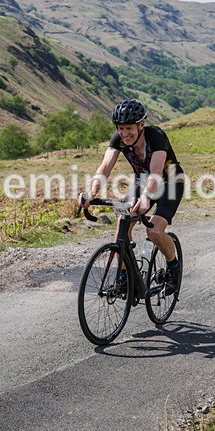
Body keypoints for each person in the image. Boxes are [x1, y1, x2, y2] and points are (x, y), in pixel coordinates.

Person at [79, 99, 184, 297]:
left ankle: (173, 266)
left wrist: (145, 198)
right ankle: (125, 277)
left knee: (153, 230)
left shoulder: (156, 136)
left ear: (141, 124)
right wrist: (91, 193)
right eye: (120, 128)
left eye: (129, 128)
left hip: (170, 183)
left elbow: (155, 172)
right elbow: (105, 167)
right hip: (143, 181)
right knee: (123, 222)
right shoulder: (118, 138)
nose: (125, 133)